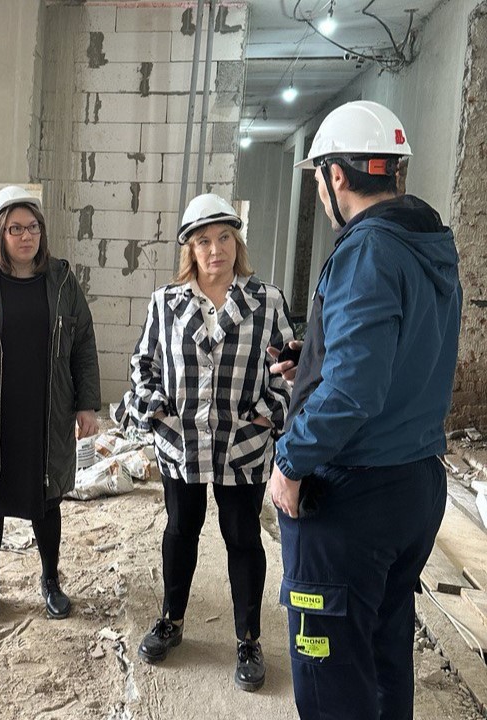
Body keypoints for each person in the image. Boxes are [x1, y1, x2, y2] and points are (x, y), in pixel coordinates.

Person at [268, 100, 462, 719]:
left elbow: (354, 390)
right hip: (414, 484)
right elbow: (402, 350)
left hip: (353, 499)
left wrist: (290, 461)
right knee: (381, 656)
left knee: (330, 677)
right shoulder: (427, 243)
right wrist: (313, 357)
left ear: (336, 176)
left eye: (319, 180)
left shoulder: (367, 249)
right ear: (395, 171)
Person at [121, 193, 294, 692]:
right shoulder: (166, 303)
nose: (215, 250)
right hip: (183, 444)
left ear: (236, 243)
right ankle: (171, 620)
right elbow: (143, 364)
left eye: (223, 238)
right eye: (203, 241)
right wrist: (155, 407)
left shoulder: (266, 301)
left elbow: (289, 369)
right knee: (181, 529)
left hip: (243, 444)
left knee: (242, 537)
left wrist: (268, 413)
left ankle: (248, 639)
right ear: (190, 249)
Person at [0, 185, 101, 624]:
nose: (26, 236)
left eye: (33, 227)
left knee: (46, 500)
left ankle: (50, 580)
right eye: (15, 228)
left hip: (44, 411)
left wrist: (86, 404)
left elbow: (83, 345)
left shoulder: (61, 281)